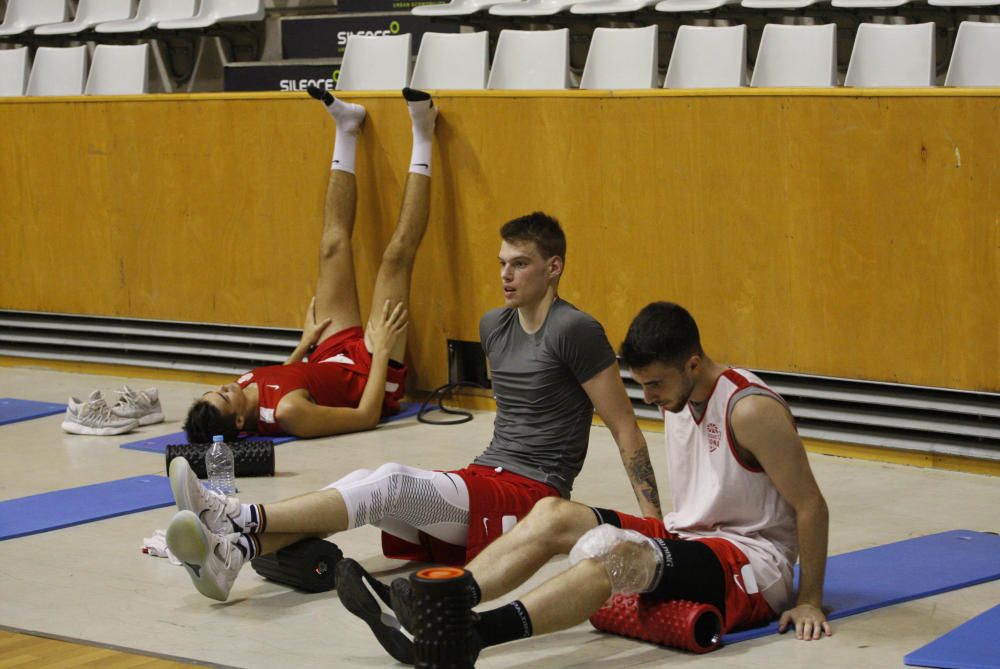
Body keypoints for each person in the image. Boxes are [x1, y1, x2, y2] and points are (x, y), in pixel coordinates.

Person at [165, 95, 662, 665]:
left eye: (519, 264)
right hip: (485, 477)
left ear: (553, 268)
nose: (505, 274)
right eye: (501, 262)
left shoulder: (576, 329)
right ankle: (234, 550)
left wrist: (654, 520)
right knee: (370, 480)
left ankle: (240, 518)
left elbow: (625, 429)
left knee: (391, 482)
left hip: (529, 495)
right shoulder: (493, 326)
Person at [345, 301, 832, 664]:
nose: (649, 397)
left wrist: (808, 600)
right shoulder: (680, 394)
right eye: (641, 384)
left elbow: (811, 506)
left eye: (656, 384)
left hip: (750, 563)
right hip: (694, 539)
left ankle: (471, 635)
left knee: (615, 557)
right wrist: (655, 526)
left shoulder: (750, 411)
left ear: (694, 364)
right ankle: (448, 602)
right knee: (552, 513)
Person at [181, 84, 432, 444]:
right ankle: (424, 133)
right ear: (239, 422)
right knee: (395, 258)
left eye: (214, 389)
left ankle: (347, 128)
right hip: (371, 373)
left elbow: (275, 380)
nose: (224, 386)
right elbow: (365, 416)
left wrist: (304, 344)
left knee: (332, 245)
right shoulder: (290, 415)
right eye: (223, 396)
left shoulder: (243, 387)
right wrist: (383, 352)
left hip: (327, 356)